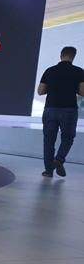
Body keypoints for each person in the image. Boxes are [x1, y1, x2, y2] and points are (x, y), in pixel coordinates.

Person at [38, 46, 84, 178]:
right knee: (68, 137)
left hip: (50, 108)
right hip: (68, 109)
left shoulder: (49, 71)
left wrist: (53, 89)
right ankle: (59, 159)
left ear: (60, 56)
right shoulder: (79, 71)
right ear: (73, 57)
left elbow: (40, 91)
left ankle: (48, 171)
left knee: (49, 140)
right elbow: (82, 92)